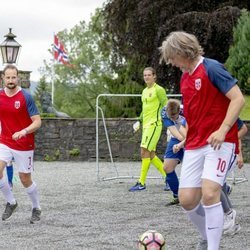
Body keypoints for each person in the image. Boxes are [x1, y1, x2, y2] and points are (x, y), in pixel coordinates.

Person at [159, 31, 245, 250]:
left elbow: (238, 99)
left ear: (183, 52)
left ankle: (213, 247)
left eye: (172, 57)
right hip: (195, 143)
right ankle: (207, 235)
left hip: (220, 142)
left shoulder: (212, 68)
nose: (172, 63)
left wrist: (224, 129)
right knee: (186, 199)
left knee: (209, 193)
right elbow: (195, 114)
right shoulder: (185, 78)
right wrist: (186, 139)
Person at [0, 64, 42, 224]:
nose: (10, 80)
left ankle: (36, 207)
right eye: (8, 77)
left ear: (17, 78)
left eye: (13, 77)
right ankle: (11, 202)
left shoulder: (26, 97)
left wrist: (23, 131)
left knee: (24, 179)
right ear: (3, 78)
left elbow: (38, 122)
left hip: (24, 143)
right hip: (4, 141)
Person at [129, 67, 168, 192]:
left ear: (154, 76)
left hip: (154, 125)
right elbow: (144, 109)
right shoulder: (144, 91)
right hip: (146, 126)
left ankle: (141, 182)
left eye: (149, 75)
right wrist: (139, 121)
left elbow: (167, 107)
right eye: (145, 75)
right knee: (151, 155)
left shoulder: (159, 90)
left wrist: (170, 125)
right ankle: (168, 178)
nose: (146, 77)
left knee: (144, 151)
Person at [222, 118, 248, 235]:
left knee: (215, 185)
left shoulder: (228, 110)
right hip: (216, 152)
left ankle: (229, 215)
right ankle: (230, 219)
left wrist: (240, 155)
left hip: (228, 153)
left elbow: (242, 130)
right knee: (217, 186)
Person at [161, 99, 186, 205]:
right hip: (178, 137)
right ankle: (177, 195)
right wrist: (180, 144)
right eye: (170, 117)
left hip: (192, 135)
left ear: (179, 111)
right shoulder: (164, 112)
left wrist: (182, 144)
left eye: (174, 117)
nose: (172, 119)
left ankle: (222, 188)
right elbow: (175, 132)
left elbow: (192, 134)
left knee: (199, 168)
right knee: (167, 167)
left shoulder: (187, 111)